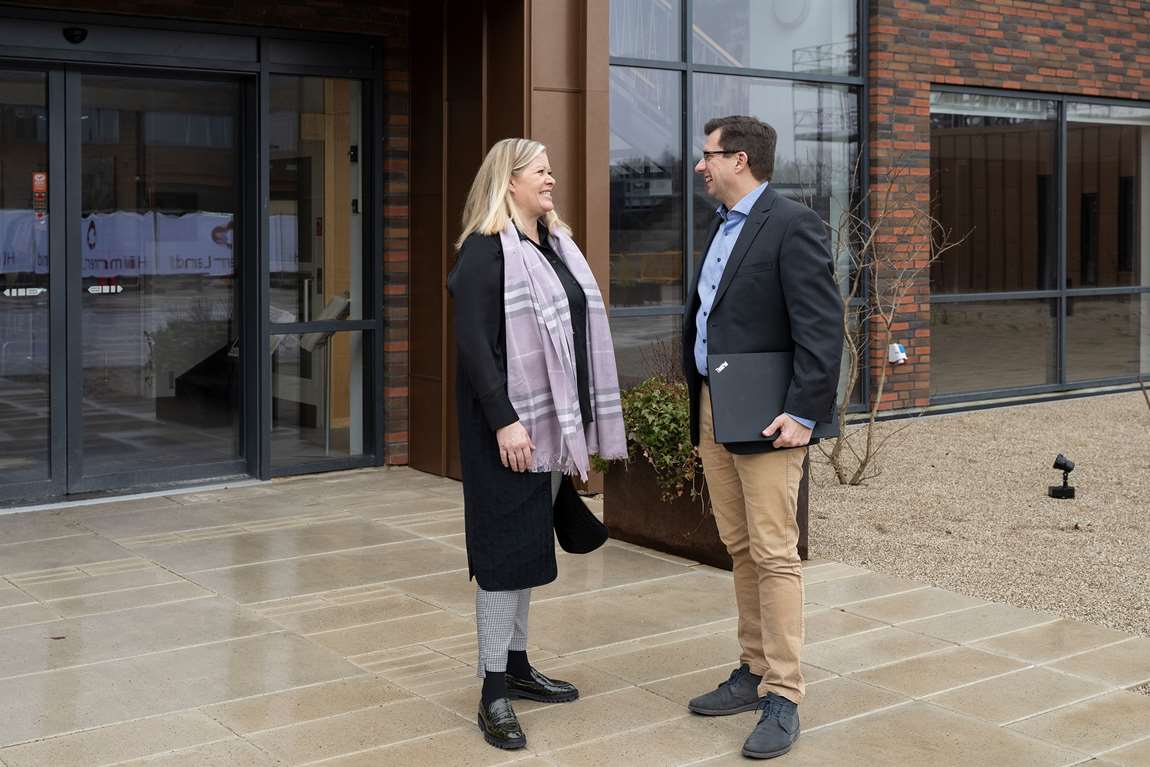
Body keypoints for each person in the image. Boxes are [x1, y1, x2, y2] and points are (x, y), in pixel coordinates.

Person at [447, 137, 627, 751]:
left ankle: (518, 667)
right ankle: (492, 692)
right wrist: (505, 420)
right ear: (510, 181)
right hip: (508, 432)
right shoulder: (484, 250)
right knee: (502, 558)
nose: (551, 180)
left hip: (550, 430)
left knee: (526, 547)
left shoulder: (554, 246)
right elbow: (473, 345)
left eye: (551, 171)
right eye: (541, 172)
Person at [683, 116, 843, 760]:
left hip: (771, 418)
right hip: (714, 409)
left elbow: (822, 328)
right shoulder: (721, 226)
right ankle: (753, 670)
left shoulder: (792, 224)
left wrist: (803, 412)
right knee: (740, 546)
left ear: (739, 159)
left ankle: (784, 693)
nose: (700, 165)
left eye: (708, 155)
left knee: (775, 554)